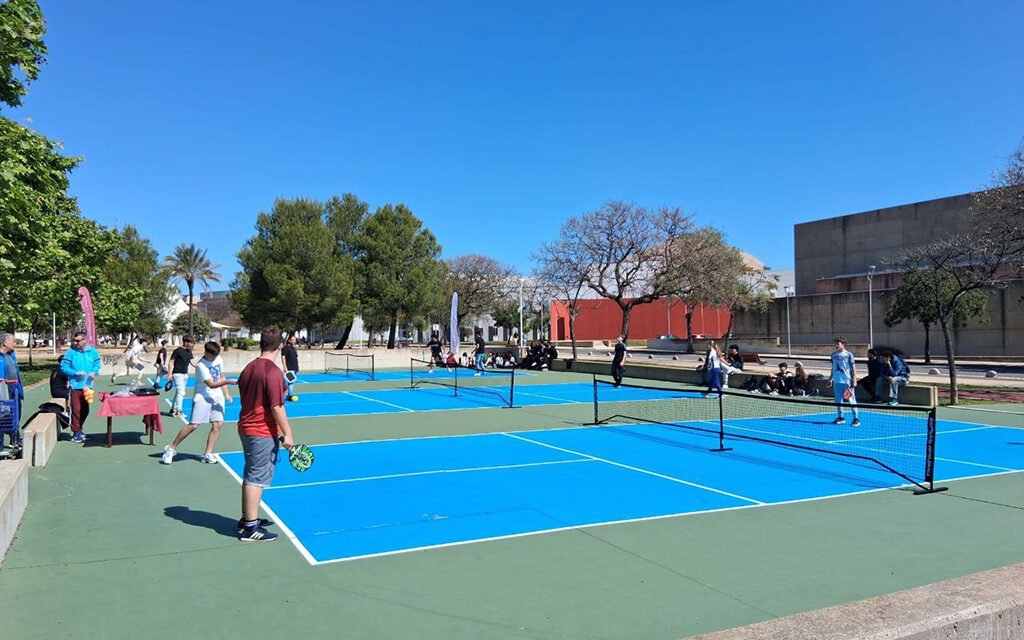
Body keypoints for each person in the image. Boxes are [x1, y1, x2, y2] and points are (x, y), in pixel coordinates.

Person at [235, 328, 294, 542]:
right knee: (256, 478)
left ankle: (247, 519)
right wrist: (288, 434)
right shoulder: (273, 372)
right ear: (280, 345)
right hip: (259, 431)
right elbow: (277, 406)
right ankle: (251, 528)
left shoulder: (248, 368)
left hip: (247, 427)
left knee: (251, 475)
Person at [162, 341, 237, 465]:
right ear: (206, 352)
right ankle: (171, 448)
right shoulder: (201, 366)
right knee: (193, 425)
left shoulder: (219, 359)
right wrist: (228, 382)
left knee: (218, 424)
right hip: (203, 396)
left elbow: (221, 376)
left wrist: (226, 393)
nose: (214, 358)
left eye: (216, 355)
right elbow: (212, 384)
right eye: (212, 355)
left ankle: (208, 453)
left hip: (217, 396)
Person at [60, 331, 102, 443]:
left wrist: (94, 372)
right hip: (75, 386)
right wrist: (75, 373)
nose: (76, 343)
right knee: (76, 410)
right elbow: (63, 367)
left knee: (85, 410)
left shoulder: (93, 352)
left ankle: (79, 429)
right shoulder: (71, 353)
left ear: (85, 340)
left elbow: (97, 365)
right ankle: (76, 433)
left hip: (88, 386)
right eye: (75, 340)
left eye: (79, 340)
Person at [827, 336, 860, 427]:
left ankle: (856, 418)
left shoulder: (849, 355)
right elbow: (833, 368)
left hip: (847, 381)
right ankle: (841, 417)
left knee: (851, 400)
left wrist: (854, 380)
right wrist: (830, 379)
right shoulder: (833, 355)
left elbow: (853, 368)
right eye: (835, 343)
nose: (836, 345)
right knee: (838, 401)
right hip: (837, 382)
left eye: (838, 343)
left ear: (843, 344)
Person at [0, 332, 24, 455]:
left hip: (14, 391)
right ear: (5, 343)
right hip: (4, 392)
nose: (14, 343)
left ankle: (15, 440)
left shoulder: (11, 355)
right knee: (3, 417)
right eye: (13, 341)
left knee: (15, 417)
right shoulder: (0, 358)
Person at [169, 337, 196, 417]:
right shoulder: (177, 351)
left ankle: (173, 409)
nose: (192, 344)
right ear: (186, 342)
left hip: (185, 374)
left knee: (178, 392)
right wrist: (169, 374)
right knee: (181, 392)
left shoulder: (189, 352)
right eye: (191, 343)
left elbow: (192, 362)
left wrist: (201, 367)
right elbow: (171, 362)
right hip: (177, 374)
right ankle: (178, 410)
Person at [280, 333, 299, 400]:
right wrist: (285, 367)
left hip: (295, 368)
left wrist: (298, 368)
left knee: (292, 382)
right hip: (290, 368)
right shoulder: (285, 348)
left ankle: (289, 395)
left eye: (295, 340)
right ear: (289, 340)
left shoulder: (293, 348)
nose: (294, 341)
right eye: (293, 340)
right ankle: (290, 395)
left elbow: (295, 359)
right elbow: (283, 357)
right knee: (291, 382)